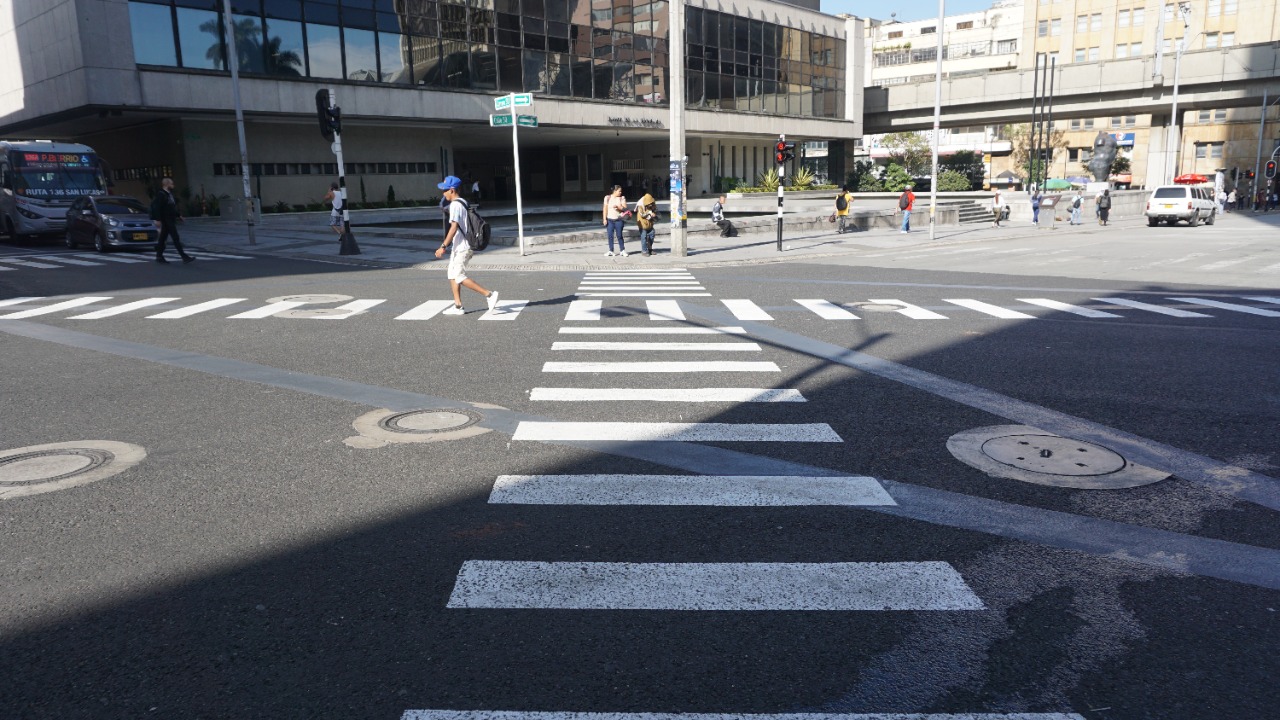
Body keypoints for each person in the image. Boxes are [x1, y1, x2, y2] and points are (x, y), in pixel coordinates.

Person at [434, 176, 498, 316]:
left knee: (458, 276)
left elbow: (454, 227)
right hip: (458, 246)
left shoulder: (456, 205)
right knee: (451, 274)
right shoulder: (462, 201)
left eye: (444, 190)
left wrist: (443, 246)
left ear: (452, 190)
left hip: (463, 247)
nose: (443, 193)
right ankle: (458, 306)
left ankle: (489, 295)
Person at [150, 177, 194, 264]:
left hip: (170, 218)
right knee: (175, 237)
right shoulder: (161, 194)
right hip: (166, 219)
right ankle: (184, 256)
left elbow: (171, 207)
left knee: (163, 238)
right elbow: (157, 208)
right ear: (166, 184)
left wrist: (178, 215)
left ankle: (159, 256)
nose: (173, 185)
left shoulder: (169, 194)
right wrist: (158, 219)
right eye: (171, 184)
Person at [602, 184, 629, 257]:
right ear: (615, 191)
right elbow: (605, 209)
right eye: (619, 191)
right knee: (610, 236)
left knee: (619, 235)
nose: (620, 192)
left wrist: (618, 207)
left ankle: (622, 250)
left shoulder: (622, 198)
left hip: (619, 220)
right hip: (610, 220)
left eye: (621, 191)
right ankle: (611, 250)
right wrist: (604, 219)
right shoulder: (607, 198)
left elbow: (625, 208)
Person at [634, 191, 658, 256]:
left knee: (652, 235)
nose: (650, 205)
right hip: (642, 223)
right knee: (643, 237)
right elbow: (642, 214)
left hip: (650, 223)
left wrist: (654, 214)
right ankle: (644, 251)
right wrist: (649, 213)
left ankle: (650, 249)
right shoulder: (640, 205)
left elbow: (656, 210)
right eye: (649, 204)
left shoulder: (652, 204)